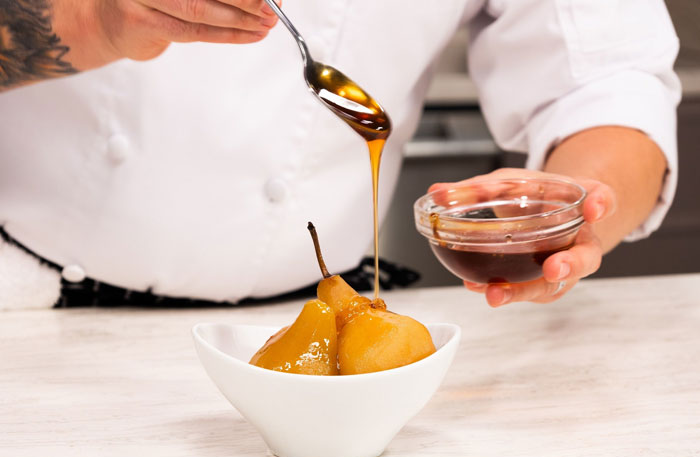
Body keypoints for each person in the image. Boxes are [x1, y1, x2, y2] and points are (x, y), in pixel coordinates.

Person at [0, 0, 680, 309]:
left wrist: (573, 209)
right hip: (34, 311)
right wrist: (86, 19)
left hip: (329, 324)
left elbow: (607, 82)